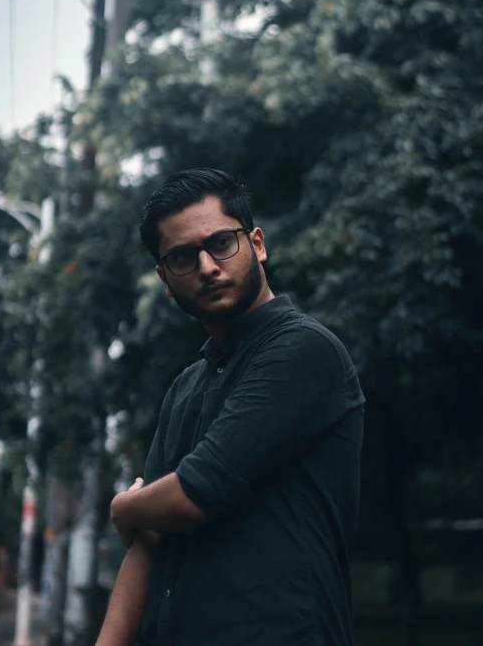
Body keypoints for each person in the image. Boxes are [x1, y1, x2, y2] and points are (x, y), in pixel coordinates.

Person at [96, 169, 365, 646]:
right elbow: (148, 542)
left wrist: (124, 505)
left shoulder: (303, 350)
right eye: (182, 257)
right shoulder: (184, 388)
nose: (206, 266)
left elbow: (194, 495)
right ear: (164, 279)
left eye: (221, 243)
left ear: (257, 244)